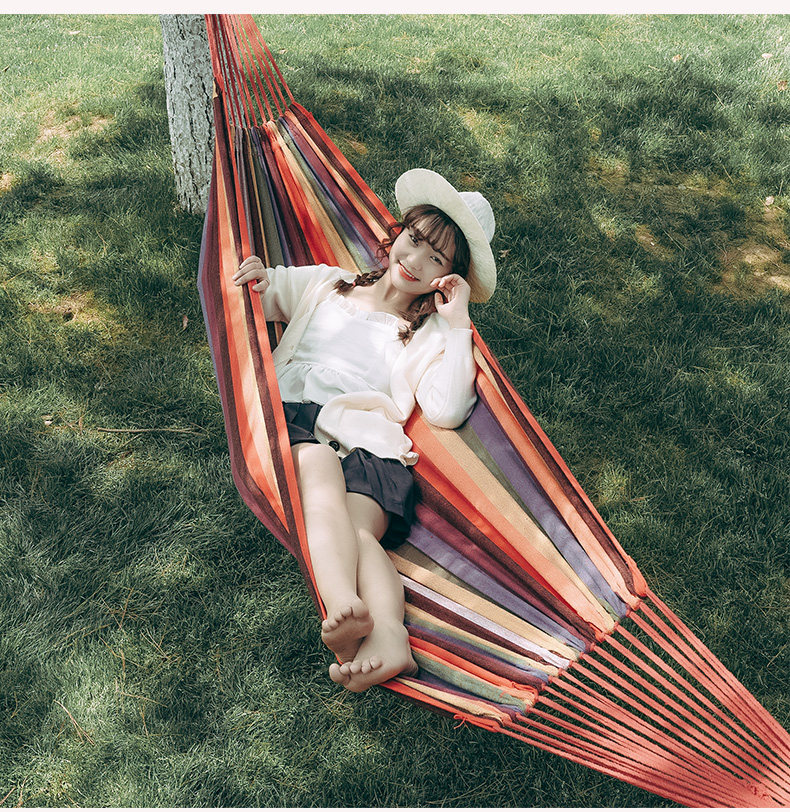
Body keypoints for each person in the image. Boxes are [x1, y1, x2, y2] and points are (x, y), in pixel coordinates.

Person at [232, 168, 497, 692]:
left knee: (360, 533)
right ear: (397, 233)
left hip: (371, 449)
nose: (415, 260)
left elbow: (447, 408)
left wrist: (457, 322)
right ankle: (345, 605)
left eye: (436, 259)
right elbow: (256, 297)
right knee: (317, 464)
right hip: (301, 425)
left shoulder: (429, 335)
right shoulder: (327, 284)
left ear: (449, 278)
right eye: (414, 239)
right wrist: (256, 274)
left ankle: (390, 638)